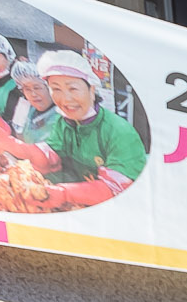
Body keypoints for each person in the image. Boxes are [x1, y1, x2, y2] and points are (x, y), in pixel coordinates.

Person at [16, 50, 146, 204]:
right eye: (56, 89)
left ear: (91, 90)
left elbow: (115, 188)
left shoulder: (120, 132)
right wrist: (8, 144)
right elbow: (50, 157)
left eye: (73, 89)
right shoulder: (64, 122)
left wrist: (64, 194)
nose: (65, 99)